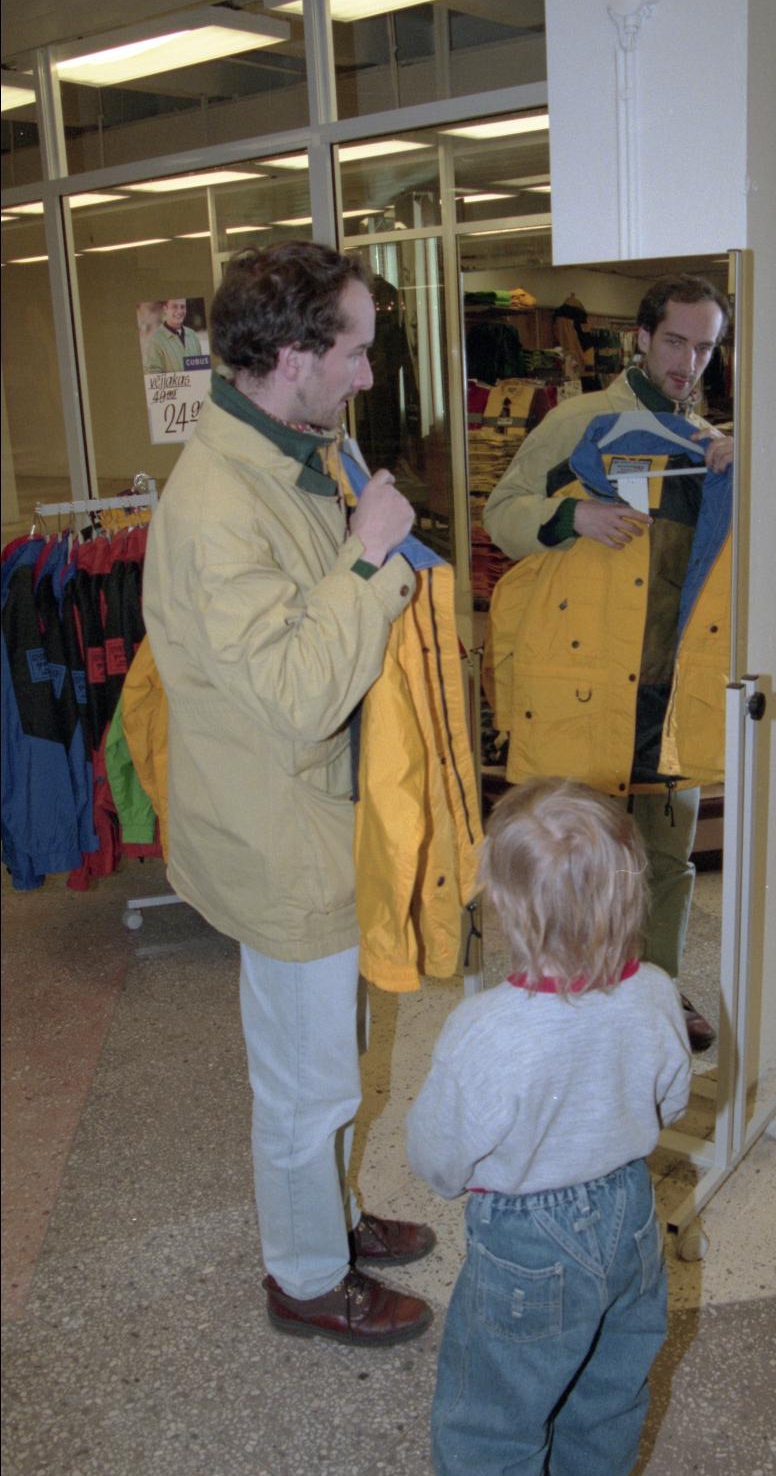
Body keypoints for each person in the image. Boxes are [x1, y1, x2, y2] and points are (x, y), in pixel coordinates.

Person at [142, 242, 436, 1346]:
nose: (368, 373)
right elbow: (300, 692)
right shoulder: (221, 503)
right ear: (295, 355)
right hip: (279, 832)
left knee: (332, 1058)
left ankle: (333, 1212)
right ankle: (307, 1277)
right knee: (306, 1083)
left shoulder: (291, 453)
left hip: (314, 815)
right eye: (355, 351)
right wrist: (368, 556)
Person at [407, 777, 691, 1476]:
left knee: (494, 1418)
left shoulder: (485, 1029)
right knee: (609, 1392)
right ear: (629, 893)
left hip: (526, 1240)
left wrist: (456, 1179)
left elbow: (438, 1154)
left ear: (502, 905)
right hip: (630, 1213)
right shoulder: (655, 990)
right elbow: (672, 1099)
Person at [483, 274, 733, 1051]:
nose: (687, 361)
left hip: (669, 686)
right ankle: (569, 1010)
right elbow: (501, 512)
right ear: (641, 338)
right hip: (588, 685)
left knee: (665, 862)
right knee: (576, 865)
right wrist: (573, 514)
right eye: (674, 341)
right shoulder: (582, 420)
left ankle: (653, 995)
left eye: (704, 347)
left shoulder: (708, 440)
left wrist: (740, 469)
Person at [143, 297, 205, 373]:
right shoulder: (155, 340)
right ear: (165, 309)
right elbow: (152, 374)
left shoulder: (192, 335)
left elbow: (201, 369)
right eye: (174, 307)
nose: (179, 311)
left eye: (182, 307)